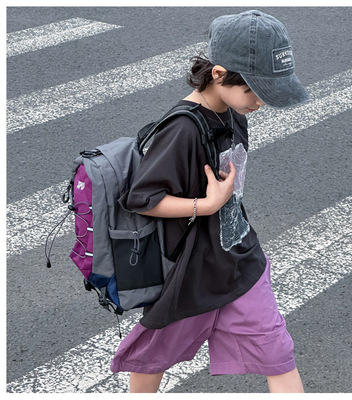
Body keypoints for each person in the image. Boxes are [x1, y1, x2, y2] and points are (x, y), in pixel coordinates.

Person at [110, 10, 309, 393]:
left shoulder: (234, 113)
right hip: (192, 270)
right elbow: (141, 198)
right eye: (254, 91)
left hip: (239, 259)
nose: (260, 102)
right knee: (153, 355)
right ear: (218, 74)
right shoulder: (182, 130)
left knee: (278, 353)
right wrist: (206, 206)